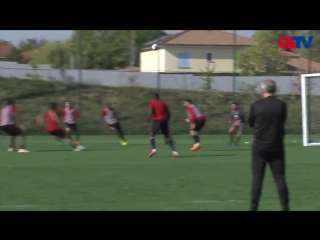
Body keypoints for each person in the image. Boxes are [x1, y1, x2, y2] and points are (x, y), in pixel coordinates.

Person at [248, 79, 290, 211]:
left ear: (262, 90)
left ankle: (253, 207)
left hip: (259, 147)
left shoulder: (256, 106)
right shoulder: (281, 105)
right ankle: (285, 207)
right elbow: (282, 120)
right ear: (275, 90)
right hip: (276, 146)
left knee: (257, 179)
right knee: (279, 178)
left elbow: (251, 123)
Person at [147, 93, 178, 157]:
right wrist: (167, 120)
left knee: (152, 135)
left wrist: (148, 121)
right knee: (167, 136)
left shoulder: (152, 103)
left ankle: (153, 149)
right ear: (158, 97)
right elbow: (169, 113)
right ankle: (174, 152)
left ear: (153, 97)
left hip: (157, 121)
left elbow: (151, 111)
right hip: (164, 120)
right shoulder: (163, 103)